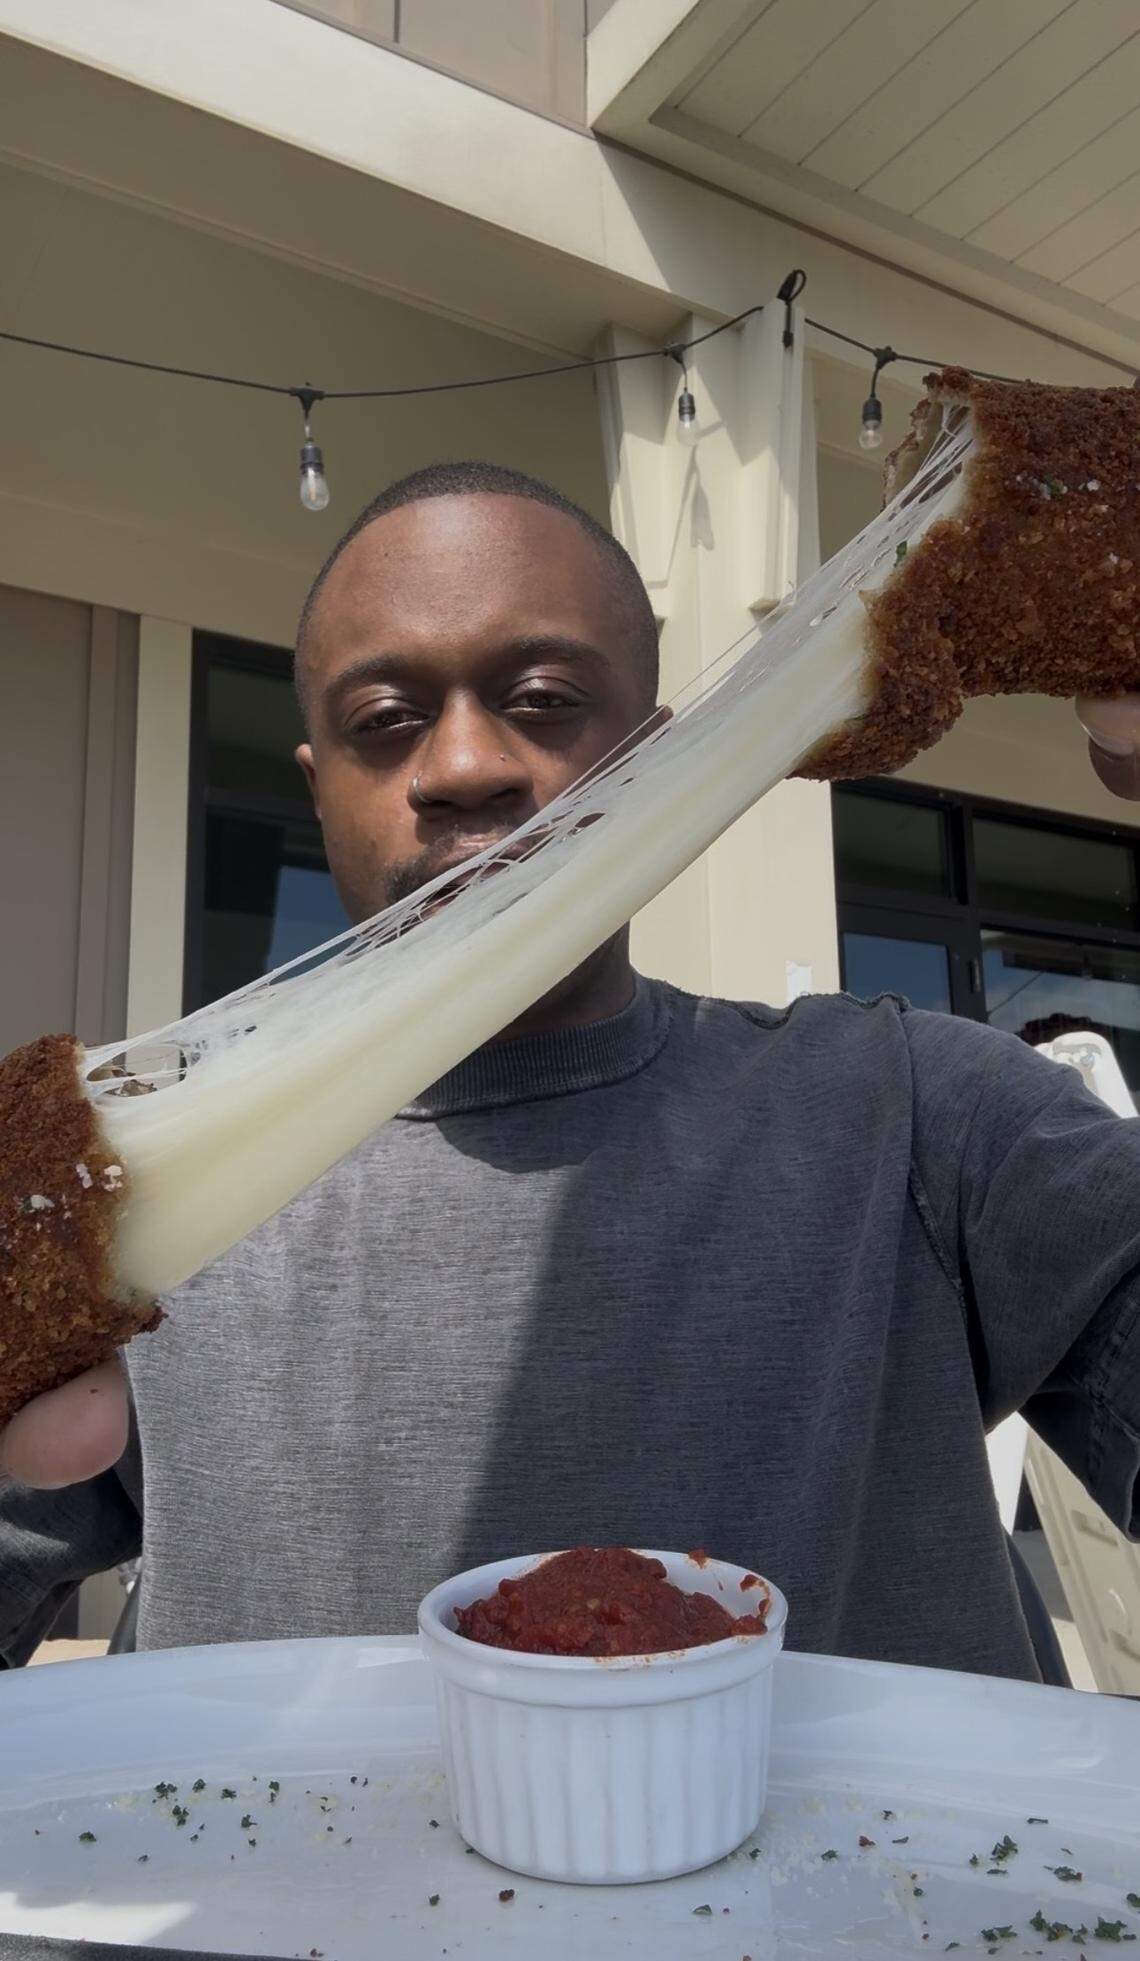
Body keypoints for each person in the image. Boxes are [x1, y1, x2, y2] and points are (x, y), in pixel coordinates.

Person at [1, 462, 1138, 1680]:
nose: (464, 765)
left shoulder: (925, 1119)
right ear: (318, 786)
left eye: (543, 698)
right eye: (383, 720)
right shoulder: (123, 1195)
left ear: (657, 760)